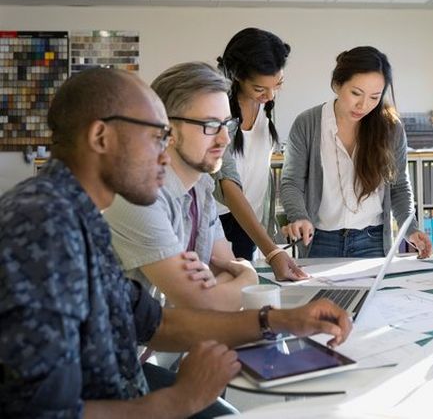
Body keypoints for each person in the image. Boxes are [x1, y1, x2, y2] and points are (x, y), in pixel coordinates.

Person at [0, 68, 351, 417]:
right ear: (101, 137)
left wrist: (283, 320)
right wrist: (182, 399)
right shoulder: (43, 225)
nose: (166, 155)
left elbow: (157, 324)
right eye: (156, 137)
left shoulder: (79, 216)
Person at [106, 62, 259, 312]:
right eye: (210, 126)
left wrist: (217, 288)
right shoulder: (139, 196)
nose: (225, 139)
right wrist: (249, 278)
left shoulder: (202, 187)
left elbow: (226, 267)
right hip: (126, 349)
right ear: (167, 129)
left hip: (172, 344)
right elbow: (202, 302)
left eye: (226, 124)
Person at [280, 46, 433, 258]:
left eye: (374, 97)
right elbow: (291, 182)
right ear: (337, 84)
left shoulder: (390, 128)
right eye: (356, 93)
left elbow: (398, 187)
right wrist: (299, 216)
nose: (363, 105)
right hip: (320, 240)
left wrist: (411, 228)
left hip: (373, 240)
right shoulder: (308, 123)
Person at [213, 28, 307, 279]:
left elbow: (258, 171)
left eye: (278, 85)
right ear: (236, 77)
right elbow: (227, 185)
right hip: (220, 221)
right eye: (259, 88)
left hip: (250, 221)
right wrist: (272, 251)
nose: (270, 95)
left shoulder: (264, 105)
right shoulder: (218, 108)